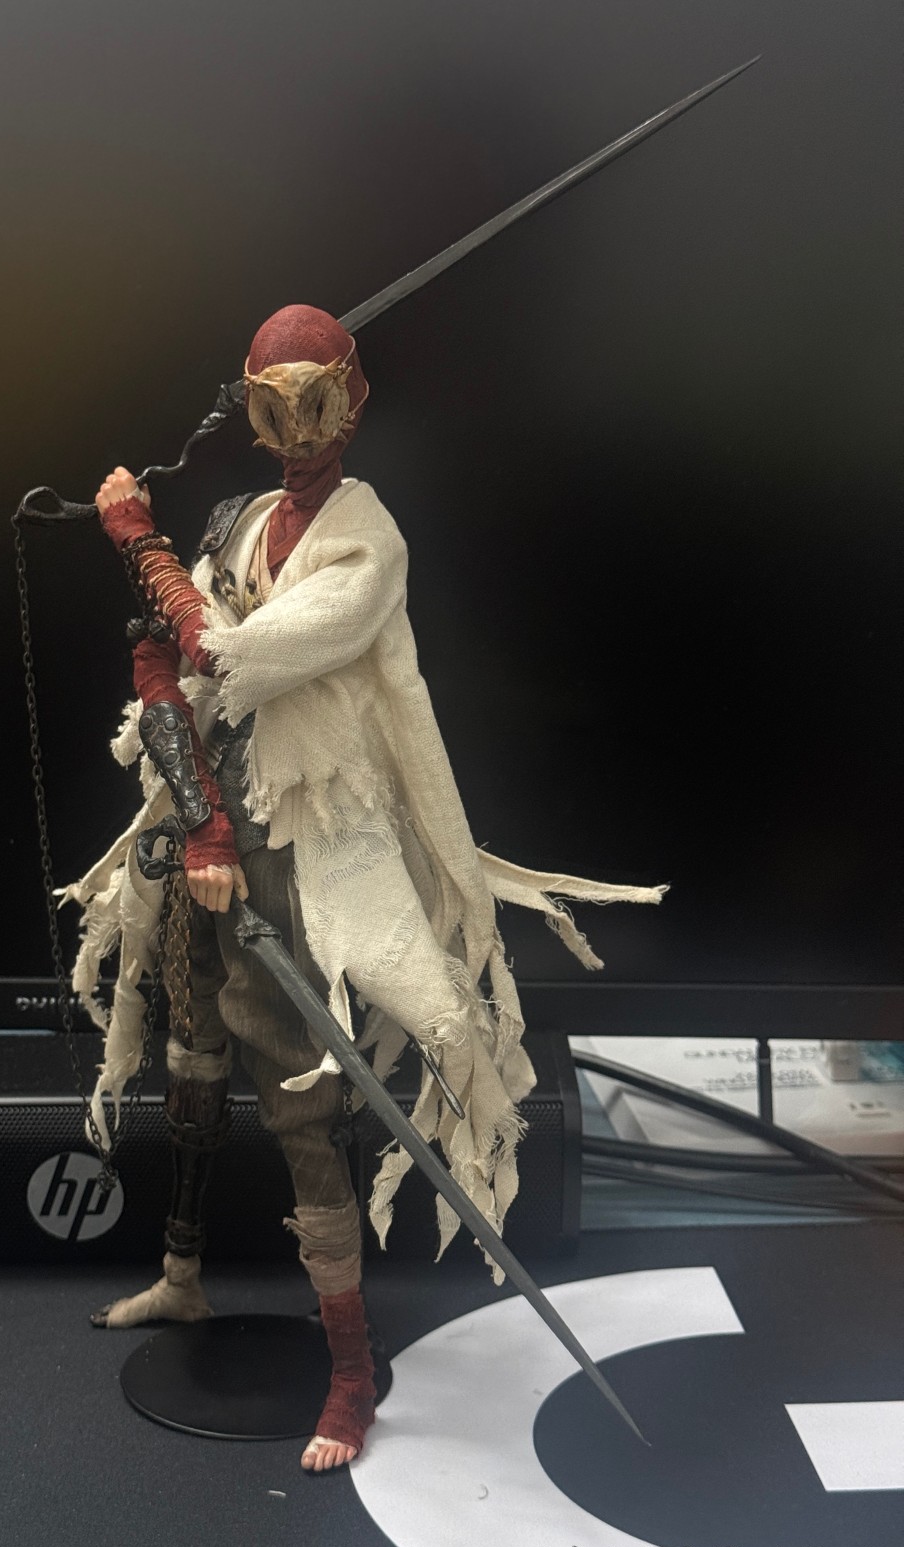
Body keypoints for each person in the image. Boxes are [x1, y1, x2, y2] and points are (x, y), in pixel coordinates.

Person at [60, 303, 663, 1473]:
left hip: (304, 852)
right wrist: (201, 821)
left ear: (355, 403)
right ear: (246, 412)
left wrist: (136, 539)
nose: (299, 434)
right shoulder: (238, 522)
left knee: (300, 1107)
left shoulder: (366, 544)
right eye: (274, 409)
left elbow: (228, 651)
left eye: (318, 405)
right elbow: (165, 666)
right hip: (201, 831)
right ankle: (182, 1275)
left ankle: (348, 1369)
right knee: (189, 1065)